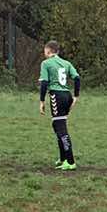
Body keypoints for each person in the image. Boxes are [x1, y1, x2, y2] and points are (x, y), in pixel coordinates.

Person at [36, 40, 80, 171]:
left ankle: (71, 161)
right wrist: (76, 96)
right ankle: (63, 158)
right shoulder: (66, 63)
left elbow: (44, 83)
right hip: (67, 95)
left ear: (48, 51)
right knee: (57, 126)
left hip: (57, 96)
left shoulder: (46, 63)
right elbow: (77, 78)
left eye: (45, 51)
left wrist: (42, 101)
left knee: (61, 129)